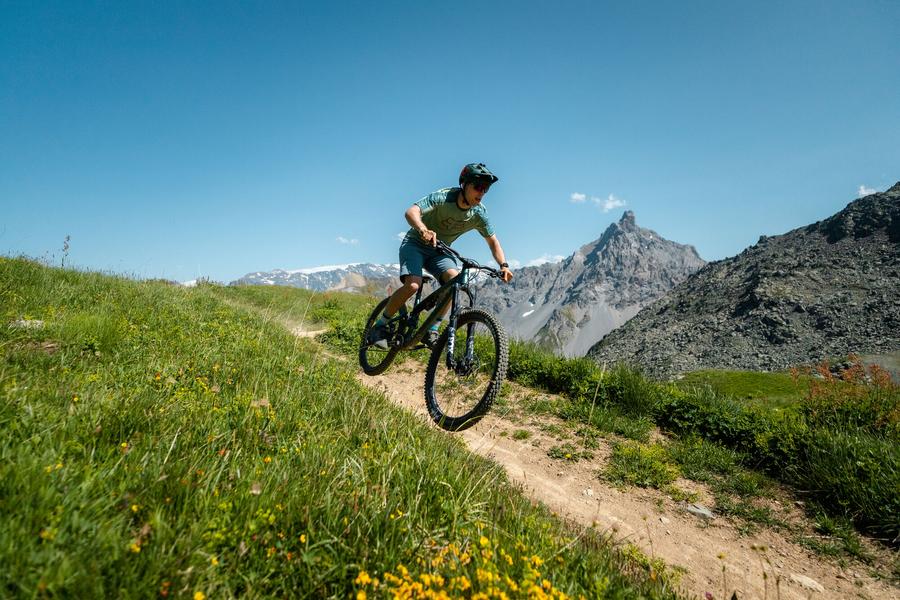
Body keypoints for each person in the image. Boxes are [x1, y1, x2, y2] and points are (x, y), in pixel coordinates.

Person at [368, 162, 514, 349]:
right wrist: (423, 229)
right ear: (464, 184)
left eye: (485, 189)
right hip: (415, 244)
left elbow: (493, 242)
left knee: (456, 282)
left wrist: (504, 265)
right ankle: (380, 326)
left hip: (439, 251)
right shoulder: (444, 197)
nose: (482, 192)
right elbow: (411, 212)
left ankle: (432, 330)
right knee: (413, 285)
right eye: (478, 186)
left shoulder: (479, 213)